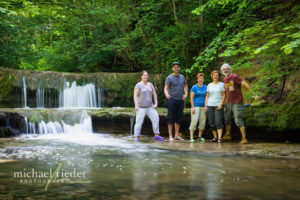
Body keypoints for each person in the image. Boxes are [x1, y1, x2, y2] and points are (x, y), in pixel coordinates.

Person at [221, 63, 258, 144]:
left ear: (230, 69)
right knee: (227, 118)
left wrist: (254, 94)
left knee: (238, 119)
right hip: (229, 102)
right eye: (224, 69)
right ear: (222, 71)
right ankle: (228, 135)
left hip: (237, 102)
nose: (225, 70)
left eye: (227, 68)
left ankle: (244, 138)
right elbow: (229, 90)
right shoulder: (224, 79)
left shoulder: (235, 77)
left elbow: (245, 85)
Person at [133, 71, 164, 141]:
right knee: (139, 122)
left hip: (150, 107)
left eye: (147, 75)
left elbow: (154, 94)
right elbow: (135, 95)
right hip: (141, 107)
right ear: (141, 76)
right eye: (144, 75)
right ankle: (136, 136)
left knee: (156, 118)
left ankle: (156, 135)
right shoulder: (138, 85)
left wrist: (156, 103)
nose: (146, 76)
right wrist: (136, 105)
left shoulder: (150, 84)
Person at [164, 62, 188, 141]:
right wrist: (167, 94)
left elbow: (185, 86)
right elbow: (166, 88)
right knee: (171, 118)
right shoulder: (169, 78)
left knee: (179, 118)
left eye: (177, 67)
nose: (176, 68)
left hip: (180, 100)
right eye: (175, 67)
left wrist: (186, 94)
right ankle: (170, 136)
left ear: (179, 68)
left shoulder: (182, 77)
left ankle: (176, 135)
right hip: (172, 99)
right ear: (172, 69)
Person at [205, 70, 225, 143]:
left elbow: (224, 95)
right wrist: (205, 105)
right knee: (211, 122)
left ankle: (220, 138)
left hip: (218, 105)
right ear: (212, 76)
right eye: (214, 75)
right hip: (210, 105)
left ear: (218, 76)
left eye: (217, 75)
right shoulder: (209, 85)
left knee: (218, 122)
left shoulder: (222, 84)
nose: (215, 76)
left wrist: (221, 104)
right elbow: (207, 96)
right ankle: (215, 137)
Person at [189, 73, 207, 142]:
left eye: (202, 78)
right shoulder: (194, 87)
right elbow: (191, 97)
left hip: (203, 107)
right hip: (195, 106)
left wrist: (206, 106)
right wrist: (192, 107)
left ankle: (199, 136)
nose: (201, 79)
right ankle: (191, 137)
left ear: (203, 79)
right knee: (194, 121)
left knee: (202, 122)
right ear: (197, 79)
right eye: (199, 78)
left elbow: (207, 97)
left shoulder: (206, 87)